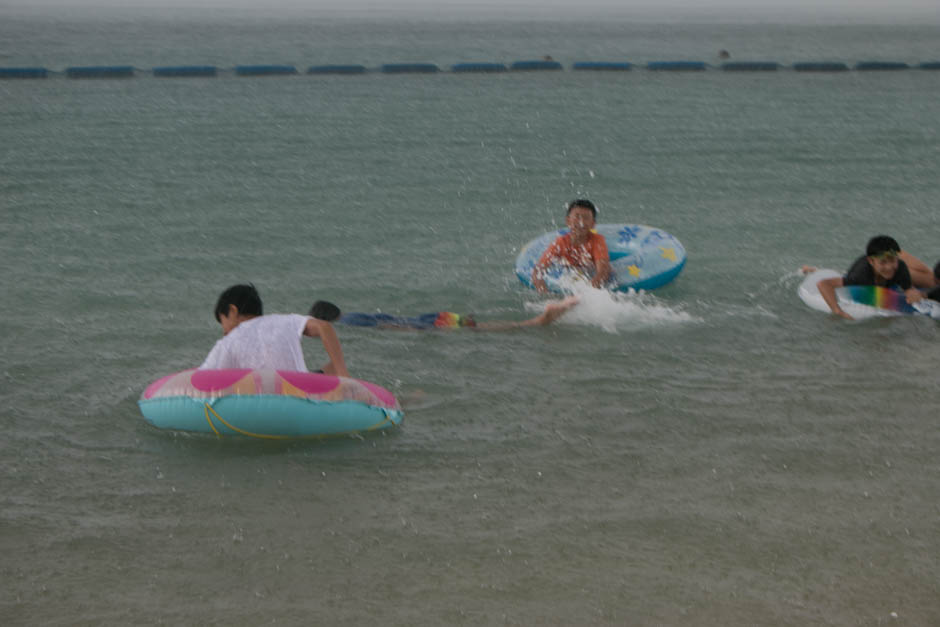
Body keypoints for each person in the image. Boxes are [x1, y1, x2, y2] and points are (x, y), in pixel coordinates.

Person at [200, 284, 349, 376]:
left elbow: (203, 378)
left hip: (266, 398)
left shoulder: (229, 341)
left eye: (222, 321)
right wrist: (344, 375)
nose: (224, 331)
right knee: (330, 368)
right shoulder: (286, 320)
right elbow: (324, 327)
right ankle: (338, 372)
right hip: (301, 388)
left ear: (232, 311)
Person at [807, 235, 924, 320]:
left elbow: (908, 289)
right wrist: (837, 310)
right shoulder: (860, 275)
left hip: (884, 280)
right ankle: (813, 270)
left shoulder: (900, 268)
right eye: (883, 262)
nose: (889, 267)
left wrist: (912, 293)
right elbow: (823, 284)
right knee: (844, 276)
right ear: (871, 261)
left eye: (893, 261)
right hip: (860, 274)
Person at [309, 297, 579, 331]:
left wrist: (413, 332)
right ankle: (560, 308)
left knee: (485, 330)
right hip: (428, 315)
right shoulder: (352, 313)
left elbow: (385, 328)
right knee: (477, 326)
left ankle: (536, 322)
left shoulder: (347, 323)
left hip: (427, 325)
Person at [531, 199, 613, 293]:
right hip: (569, 273)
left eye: (586, 218)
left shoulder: (597, 241)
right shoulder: (560, 243)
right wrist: (544, 292)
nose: (581, 222)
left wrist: (587, 292)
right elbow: (538, 270)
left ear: (593, 224)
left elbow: (603, 272)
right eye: (577, 217)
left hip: (590, 273)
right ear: (568, 221)